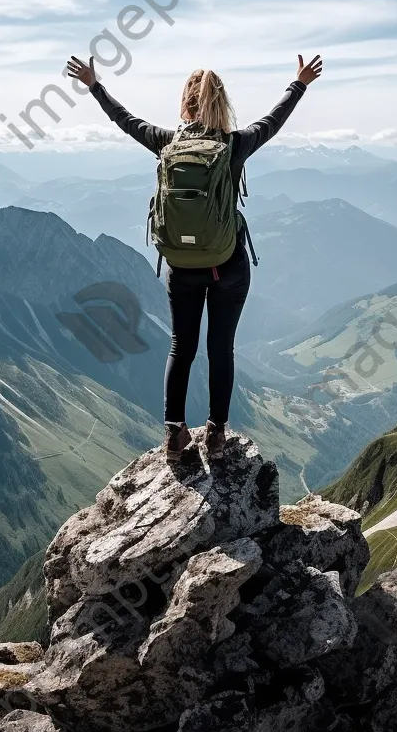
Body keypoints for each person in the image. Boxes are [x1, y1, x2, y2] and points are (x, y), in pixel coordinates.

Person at [65, 54, 323, 463]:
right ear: (222, 104)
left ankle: (174, 435)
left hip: (181, 266)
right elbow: (273, 121)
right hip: (227, 265)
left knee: (180, 347)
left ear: (185, 103)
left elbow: (126, 120)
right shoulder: (234, 145)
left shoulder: (167, 143)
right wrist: (299, 84)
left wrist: (96, 86)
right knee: (221, 349)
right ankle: (216, 434)